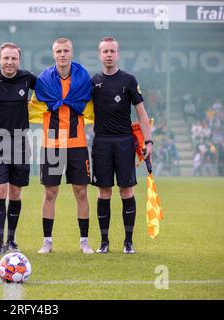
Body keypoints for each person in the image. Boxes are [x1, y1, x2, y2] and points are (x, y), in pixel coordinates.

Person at [30, 38, 94, 254]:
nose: (62, 54)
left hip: (77, 143)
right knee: (50, 192)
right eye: (59, 51)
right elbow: (31, 107)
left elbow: (95, 104)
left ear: (72, 53)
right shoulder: (44, 80)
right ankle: (47, 242)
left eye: (66, 50)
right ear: (53, 54)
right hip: (52, 144)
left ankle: (84, 241)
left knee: (81, 192)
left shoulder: (83, 78)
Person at [91, 37, 153, 254]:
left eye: (112, 51)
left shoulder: (128, 80)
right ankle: (104, 242)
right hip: (101, 143)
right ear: (99, 55)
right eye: (105, 51)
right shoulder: (93, 81)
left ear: (117, 54)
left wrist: (148, 141)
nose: (108, 55)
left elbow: (142, 113)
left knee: (126, 190)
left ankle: (128, 242)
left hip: (124, 142)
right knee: (104, 191)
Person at [0, 42, 37, 254]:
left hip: (21, 141)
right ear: (0, 59)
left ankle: (11, 240)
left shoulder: (27, 78)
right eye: (6, 58)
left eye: (13, 58)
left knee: (15, 193)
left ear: (18, 60)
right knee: (0, 190)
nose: (10, 62)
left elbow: (48, 93)